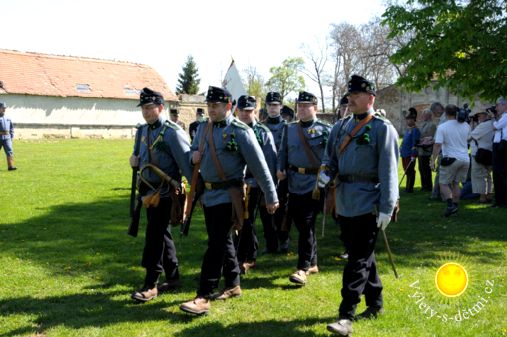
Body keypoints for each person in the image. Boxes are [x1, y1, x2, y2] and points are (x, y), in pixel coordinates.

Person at [179, 86, 278, 316]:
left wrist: (271, 195)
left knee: (215, 245)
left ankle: (204, 295)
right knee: (223, 242)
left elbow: (259, 166)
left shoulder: (240, 131)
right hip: (209, 195)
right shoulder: (203, 128)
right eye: (209, 106)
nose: (211, 110)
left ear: (228, 106)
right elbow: (194, 151)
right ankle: (233, 284)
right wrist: (193, 156)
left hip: (229, 195)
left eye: (216, 106)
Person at [320, 75, 399, 336]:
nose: (351, 99)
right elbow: (329, 157)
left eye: (357, 95)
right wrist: (325, 172)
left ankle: (346, 315)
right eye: (350, 95)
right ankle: (375, 304)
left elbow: (389, 170)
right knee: (363, 255)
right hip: (344, 200)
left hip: (369, 202)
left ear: (371, 98)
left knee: (357, 259)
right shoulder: (341, 126)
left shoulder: (381, 128)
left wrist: (388, 206)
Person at [129, 88, 192, 302]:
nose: (146, 112)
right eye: (144, 108)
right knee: (162, 233)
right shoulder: (142, 131)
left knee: (154, 236)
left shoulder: (172, 132)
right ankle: (173, 277)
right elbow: (138, 155)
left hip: (166, 192)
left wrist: (195, 193)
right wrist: (133, 160)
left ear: (160, 108)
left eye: (150, 108)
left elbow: (186, 163)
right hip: (148, 190)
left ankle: (151, 283)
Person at [277, 91, 332, 286]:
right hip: (293, 182)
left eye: (305, 106)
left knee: (306, 224)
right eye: (299, 106)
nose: (301, 109)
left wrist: (327, 178)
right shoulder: (290, 129)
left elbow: (331, 156)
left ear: (315, 108)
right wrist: (280, 169)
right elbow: (283, 152)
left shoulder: (326, 129)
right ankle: (313, 262)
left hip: (314, 184)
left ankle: (302, 268)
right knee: (300, 224)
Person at [235, 95, 277, 274]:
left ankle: (249, 256)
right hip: (235, 183)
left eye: (249, 111)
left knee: (247, 219)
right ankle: (237, 254)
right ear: (236, 110)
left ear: (255, 112)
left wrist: (269, 190)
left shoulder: (262, 132)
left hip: (254, 183)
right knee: (236, 219)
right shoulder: (232, 130)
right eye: (242, 110)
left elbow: (269, 163)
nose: (245, 114)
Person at [430, 104, 471, 216]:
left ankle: (450, 206)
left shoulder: (442, 127)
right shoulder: (466, 125)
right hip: (465, 159)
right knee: (456, 184)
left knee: (443, 183)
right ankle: (455, 207)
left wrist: (433, 160)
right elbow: (468, 138)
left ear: (445, 113)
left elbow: (437, 145)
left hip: (451, 159)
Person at [262, 91, 290, 253]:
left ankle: (284, 239)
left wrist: (282, 168)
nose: (272, 108)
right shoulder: (261, 126)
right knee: (266, 210)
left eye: (275, 105)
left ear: (280, 106)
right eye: (270, 105)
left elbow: (286, 151)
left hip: (281, 174)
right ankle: (270, 243)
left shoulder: (287, 127)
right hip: (264, 174)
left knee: (281, 210)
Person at [468, 109, 494, 203]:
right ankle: (489, 195)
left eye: (480, 115)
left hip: (479, 153)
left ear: (486, 115)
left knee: (479, 175)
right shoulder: (494, 123)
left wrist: (471, 126)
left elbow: (470, 137)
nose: (478, 117)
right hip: (490, 152)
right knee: (488, 175)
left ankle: (482, 197)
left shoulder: (484, 125)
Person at [399, 108, 420, 193]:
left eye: (409, 120)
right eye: (407, 120)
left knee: (410, 171)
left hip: (410, 154)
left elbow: (415, 143)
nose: (407, 121)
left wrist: (413, 155)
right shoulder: (408, 130)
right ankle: (407, 187)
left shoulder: (415, 130)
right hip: (404, 153)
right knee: (406, 170)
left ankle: (410, 188)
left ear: (413, 120)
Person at [492, 96, 507, 208]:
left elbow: (496, 126)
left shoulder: (506, 116)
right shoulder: (502, 116)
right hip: (499, 145)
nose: (496, 108)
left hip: (502, 146)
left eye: (497, 105)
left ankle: (502, 200)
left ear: (504, 105)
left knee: (500, 173)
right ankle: (499, 200)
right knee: (498, 173)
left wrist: (493, 118)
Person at [417, 109, 437, 192]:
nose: (422, 116)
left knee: (426, 169)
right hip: (420, 150)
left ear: (428, 115)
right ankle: (424, 186)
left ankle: (428, 187)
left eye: (424, 114)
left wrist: (424, 141)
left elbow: (432, 138)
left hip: (427, 150)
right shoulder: (423, 124)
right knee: (421, 168)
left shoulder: (432, 125)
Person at [430, 102, 446, 200]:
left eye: (434, 112)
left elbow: (438, 141)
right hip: (445, 149)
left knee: (441, 174)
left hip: (443, 150)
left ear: (439, 109)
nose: (434, 114)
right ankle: (437, 194)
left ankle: (437, 195)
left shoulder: (444, 120)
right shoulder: (443, 119)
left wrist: (433, 159)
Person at [0, 102, 17, 171]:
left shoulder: (8, 118)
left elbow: (11, 128)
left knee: (10, 151)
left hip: (7, 138)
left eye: (5, 108)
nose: (4, 109)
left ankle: (10, 166)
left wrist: (11, 136)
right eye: (2, 108)